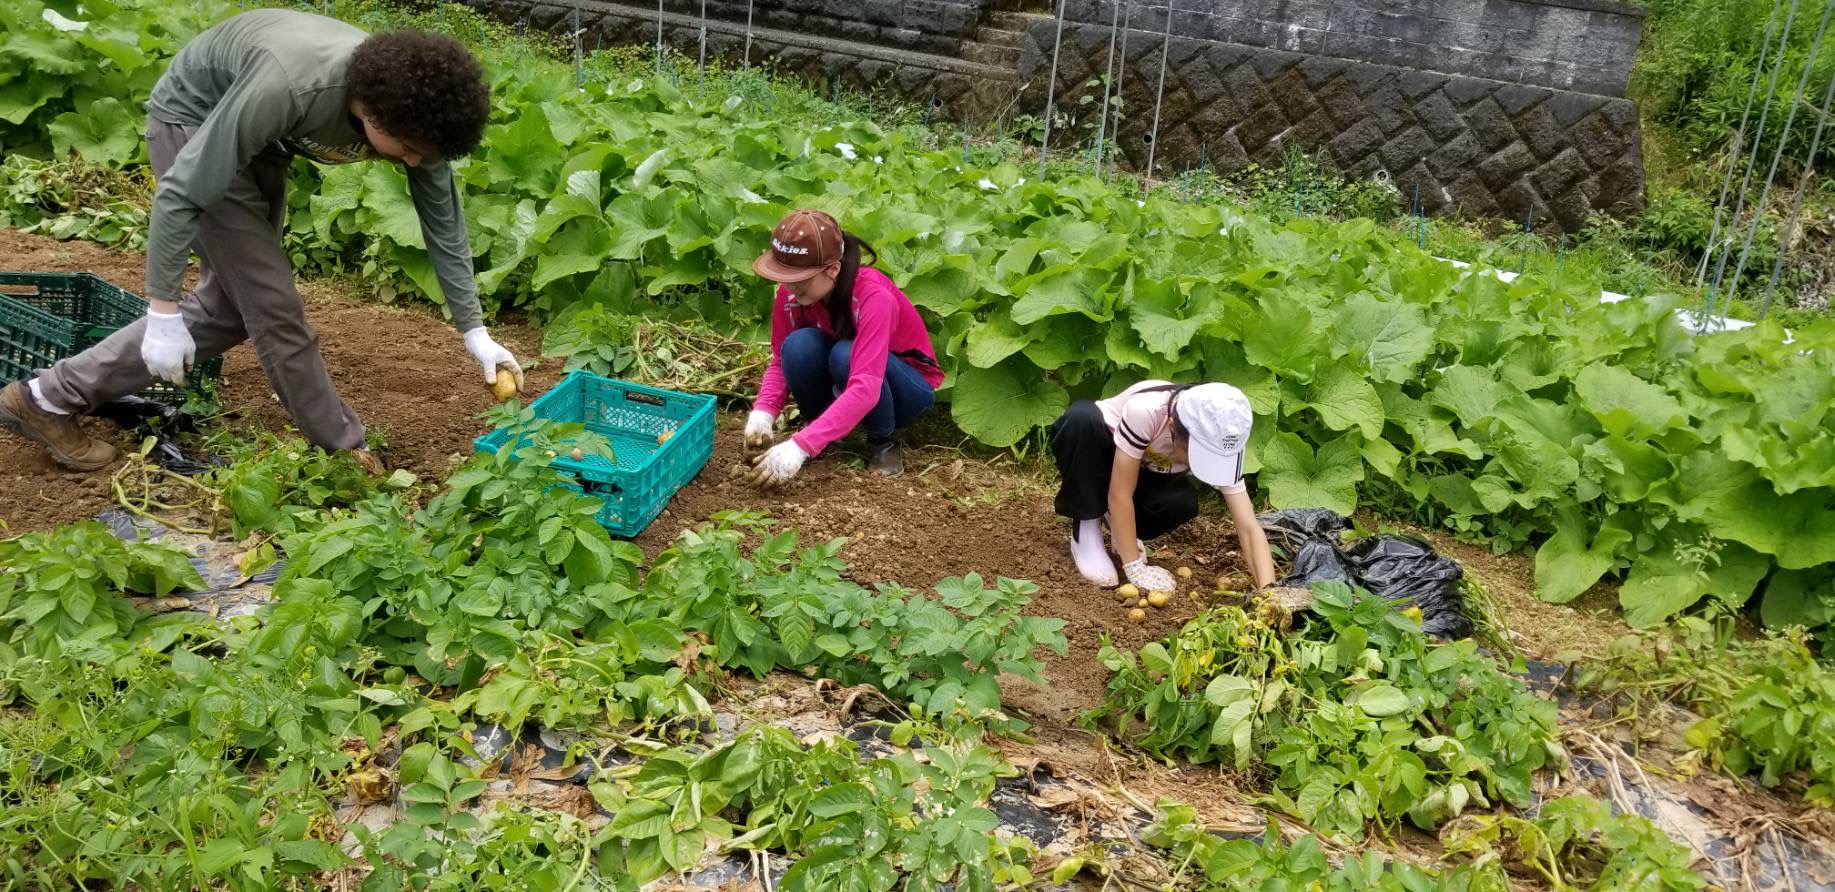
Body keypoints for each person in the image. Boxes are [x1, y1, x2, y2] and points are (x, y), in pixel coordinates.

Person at [0, 9, 521, 475]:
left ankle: (44, 397)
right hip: (194, 120)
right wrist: (162, 312)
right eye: (406, 148)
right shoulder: (294, 87)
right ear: (373, 111)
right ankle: (344, 450)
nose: (413, 161)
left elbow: (443, 223)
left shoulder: (419, 120)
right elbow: (181, 193)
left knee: (231, 310)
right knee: (273, 307)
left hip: (264, 140)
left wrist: (473, 328)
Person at [744, 209, 942, 483]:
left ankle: (882, 442)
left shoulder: (874, 297)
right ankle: (821, 429)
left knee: (845, 354)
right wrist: (763, 414)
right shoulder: (793, 293)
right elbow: (780, 361)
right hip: (850, 377)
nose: (791, 286)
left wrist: (800, 446)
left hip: (906, 390)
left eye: (801, 278)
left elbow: (866, 386)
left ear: (833, 269)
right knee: (797, 347)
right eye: (785, 276)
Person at [1049, 380, 1277, 591]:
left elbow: (1248, 526)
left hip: (1146, 475)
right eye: (1197, 455)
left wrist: (1269, 593)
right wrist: (1134, 567)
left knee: (1181, 503)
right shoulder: (1146, 411)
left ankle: (1117, 523)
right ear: (1172, 428)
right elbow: (1120, 492)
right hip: (1102, 458)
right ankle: (1087, 525)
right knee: (1080, 419)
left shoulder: (1224, 437)